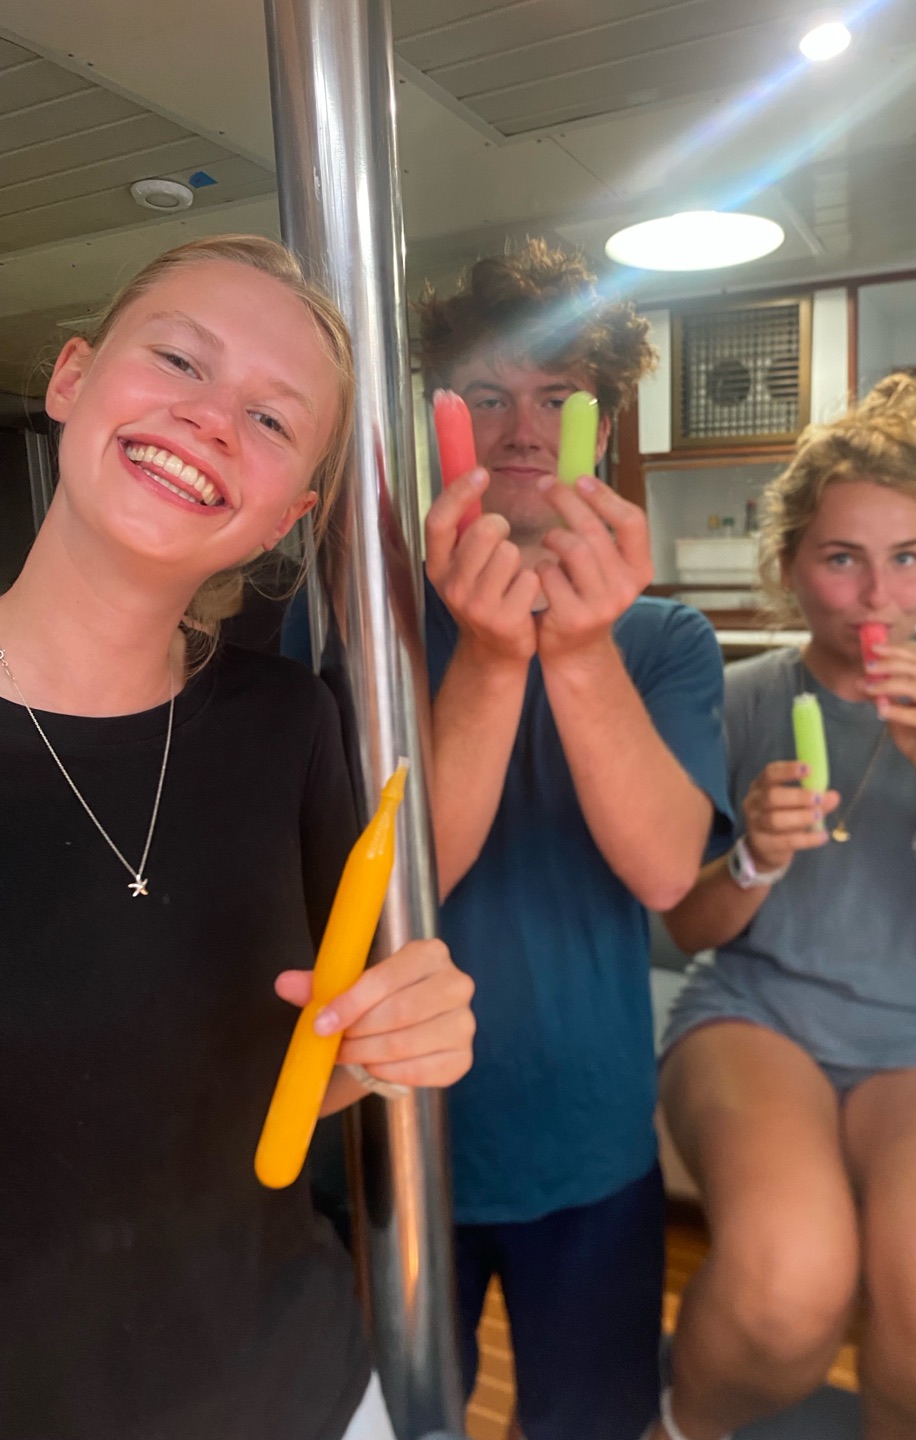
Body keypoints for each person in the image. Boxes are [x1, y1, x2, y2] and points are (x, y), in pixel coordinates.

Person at [0, 234, 475, 1440]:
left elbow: (283, 1078)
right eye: (179, 359)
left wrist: (385, 1046)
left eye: (271, 420)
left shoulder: (287, 723)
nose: (211, 420)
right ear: (71, 379)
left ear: (287, 518)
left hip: (304, 1392)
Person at [651, 374, 916, 1440]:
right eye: (842, 558)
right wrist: (753, 860)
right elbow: (683, 926)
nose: (877, 597)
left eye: (907, 559)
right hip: (756, 1017)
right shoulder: (736, 702)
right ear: (790, 565)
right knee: (784, 1286)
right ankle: (678, 1426)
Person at [417, 241, 733, 1440]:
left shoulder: (665, 640)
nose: (521, 432)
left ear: (603, 426)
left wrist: (578, 646)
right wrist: (492, 656)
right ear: (441, 416)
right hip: (395, 1135)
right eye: (486, 397)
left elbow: (664, 870)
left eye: (558, 398)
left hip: (589, 1137)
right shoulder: (357, 622)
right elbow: (392, 885)